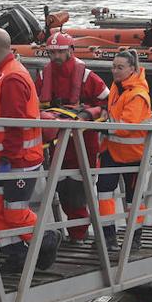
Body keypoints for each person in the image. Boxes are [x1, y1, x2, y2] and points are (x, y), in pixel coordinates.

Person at [0, 26, 60, 274]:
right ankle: (16, 254)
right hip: (3, 158)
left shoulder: (11, 77)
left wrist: (7, 158)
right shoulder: (3, 73)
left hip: (17, 159)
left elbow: (15, 124)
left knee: (14, 212)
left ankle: (47, 239)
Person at [37, 33, 109, 243]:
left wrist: (87, 113)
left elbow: (107, 105)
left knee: (77, 191)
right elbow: (33, 101)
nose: (56, 56)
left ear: (71, 50)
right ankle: (77, 233)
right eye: (52, 52)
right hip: (56, 143)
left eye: (60, 51)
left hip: (83, 143)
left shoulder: (87, 77)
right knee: (61, 188)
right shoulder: (44, 75)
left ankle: (79, 234)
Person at [97, 48, 152, 251]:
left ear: (132, 69)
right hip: (111, 151)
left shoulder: (138, 95)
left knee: (133, 200)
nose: (115, 71)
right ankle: (107, 238)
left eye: (120, 67)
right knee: (103, 192)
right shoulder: (116, 88)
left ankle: (134, 239)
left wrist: (103, 125)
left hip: (134, 156)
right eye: (113, 67)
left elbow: (127, 126)